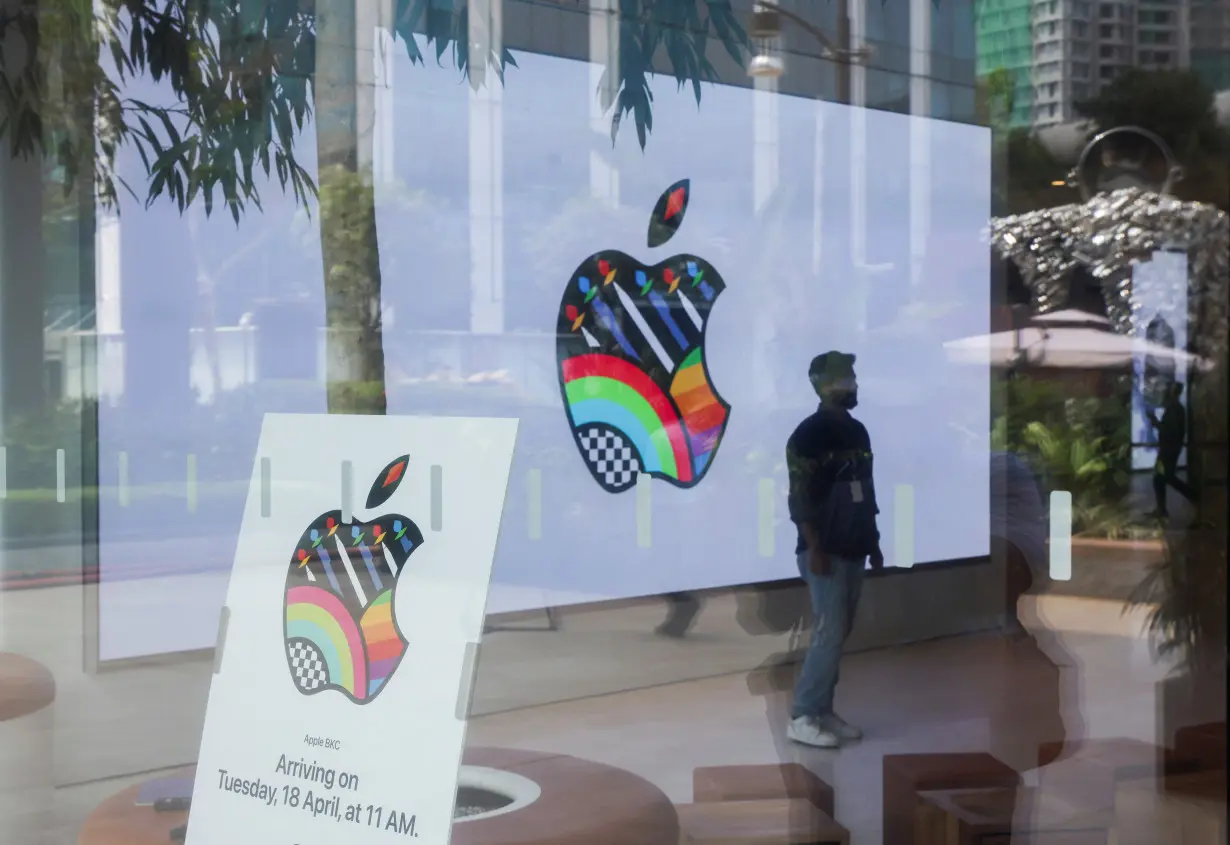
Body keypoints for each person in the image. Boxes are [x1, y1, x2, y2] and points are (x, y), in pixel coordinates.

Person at [784, 351, 882, 748]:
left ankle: (823, 711)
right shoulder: (808, 435)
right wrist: (814, 547)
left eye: (854, 376)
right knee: (828, 633)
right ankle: (803, 715)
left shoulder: (858, 432)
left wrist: (873, 542)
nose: (854, 384)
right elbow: (800, 495)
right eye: (847, 377)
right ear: (826, 385)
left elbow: (866, 490)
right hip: (823, 550)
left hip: (853, 546)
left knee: (838, 633)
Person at [1148, 381, 1195, 518]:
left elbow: (1169, 430)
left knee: (1164, 477)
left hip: (1168, 451)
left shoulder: (1174, 409)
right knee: (1161, 478)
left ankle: (1193, 496)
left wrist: (1155, 422)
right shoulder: (1176, 408)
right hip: (1170, 449)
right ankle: (1162, 508)